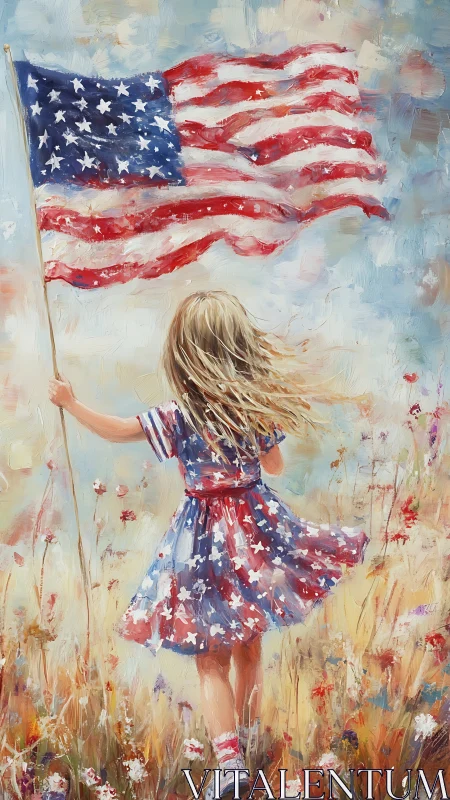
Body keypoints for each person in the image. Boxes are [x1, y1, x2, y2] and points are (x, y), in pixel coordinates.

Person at [49, 290, 368, 800]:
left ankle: (229, 760)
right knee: (250, 645)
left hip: (202, 539)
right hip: (255, 528)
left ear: (185, 353)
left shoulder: (179, 416)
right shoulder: (253, 410)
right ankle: (246, 742)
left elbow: (117, 431)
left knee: (208, 655)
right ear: (239, 348)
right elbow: (276, 467)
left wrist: (70, 403)